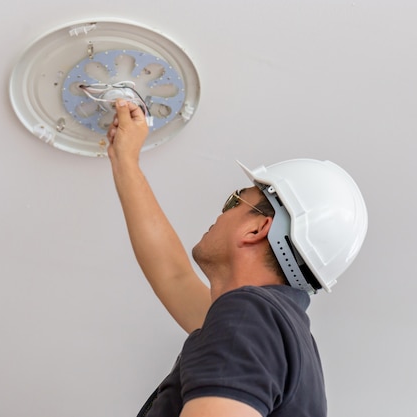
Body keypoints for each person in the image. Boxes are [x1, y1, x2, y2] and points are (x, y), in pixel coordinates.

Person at [105, 100, 368, 417]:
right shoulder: (279, 331)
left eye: (235, 201)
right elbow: (174, 276)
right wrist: (125, 160)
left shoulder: (251, 314)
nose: (221, 212)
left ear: (257, 227)